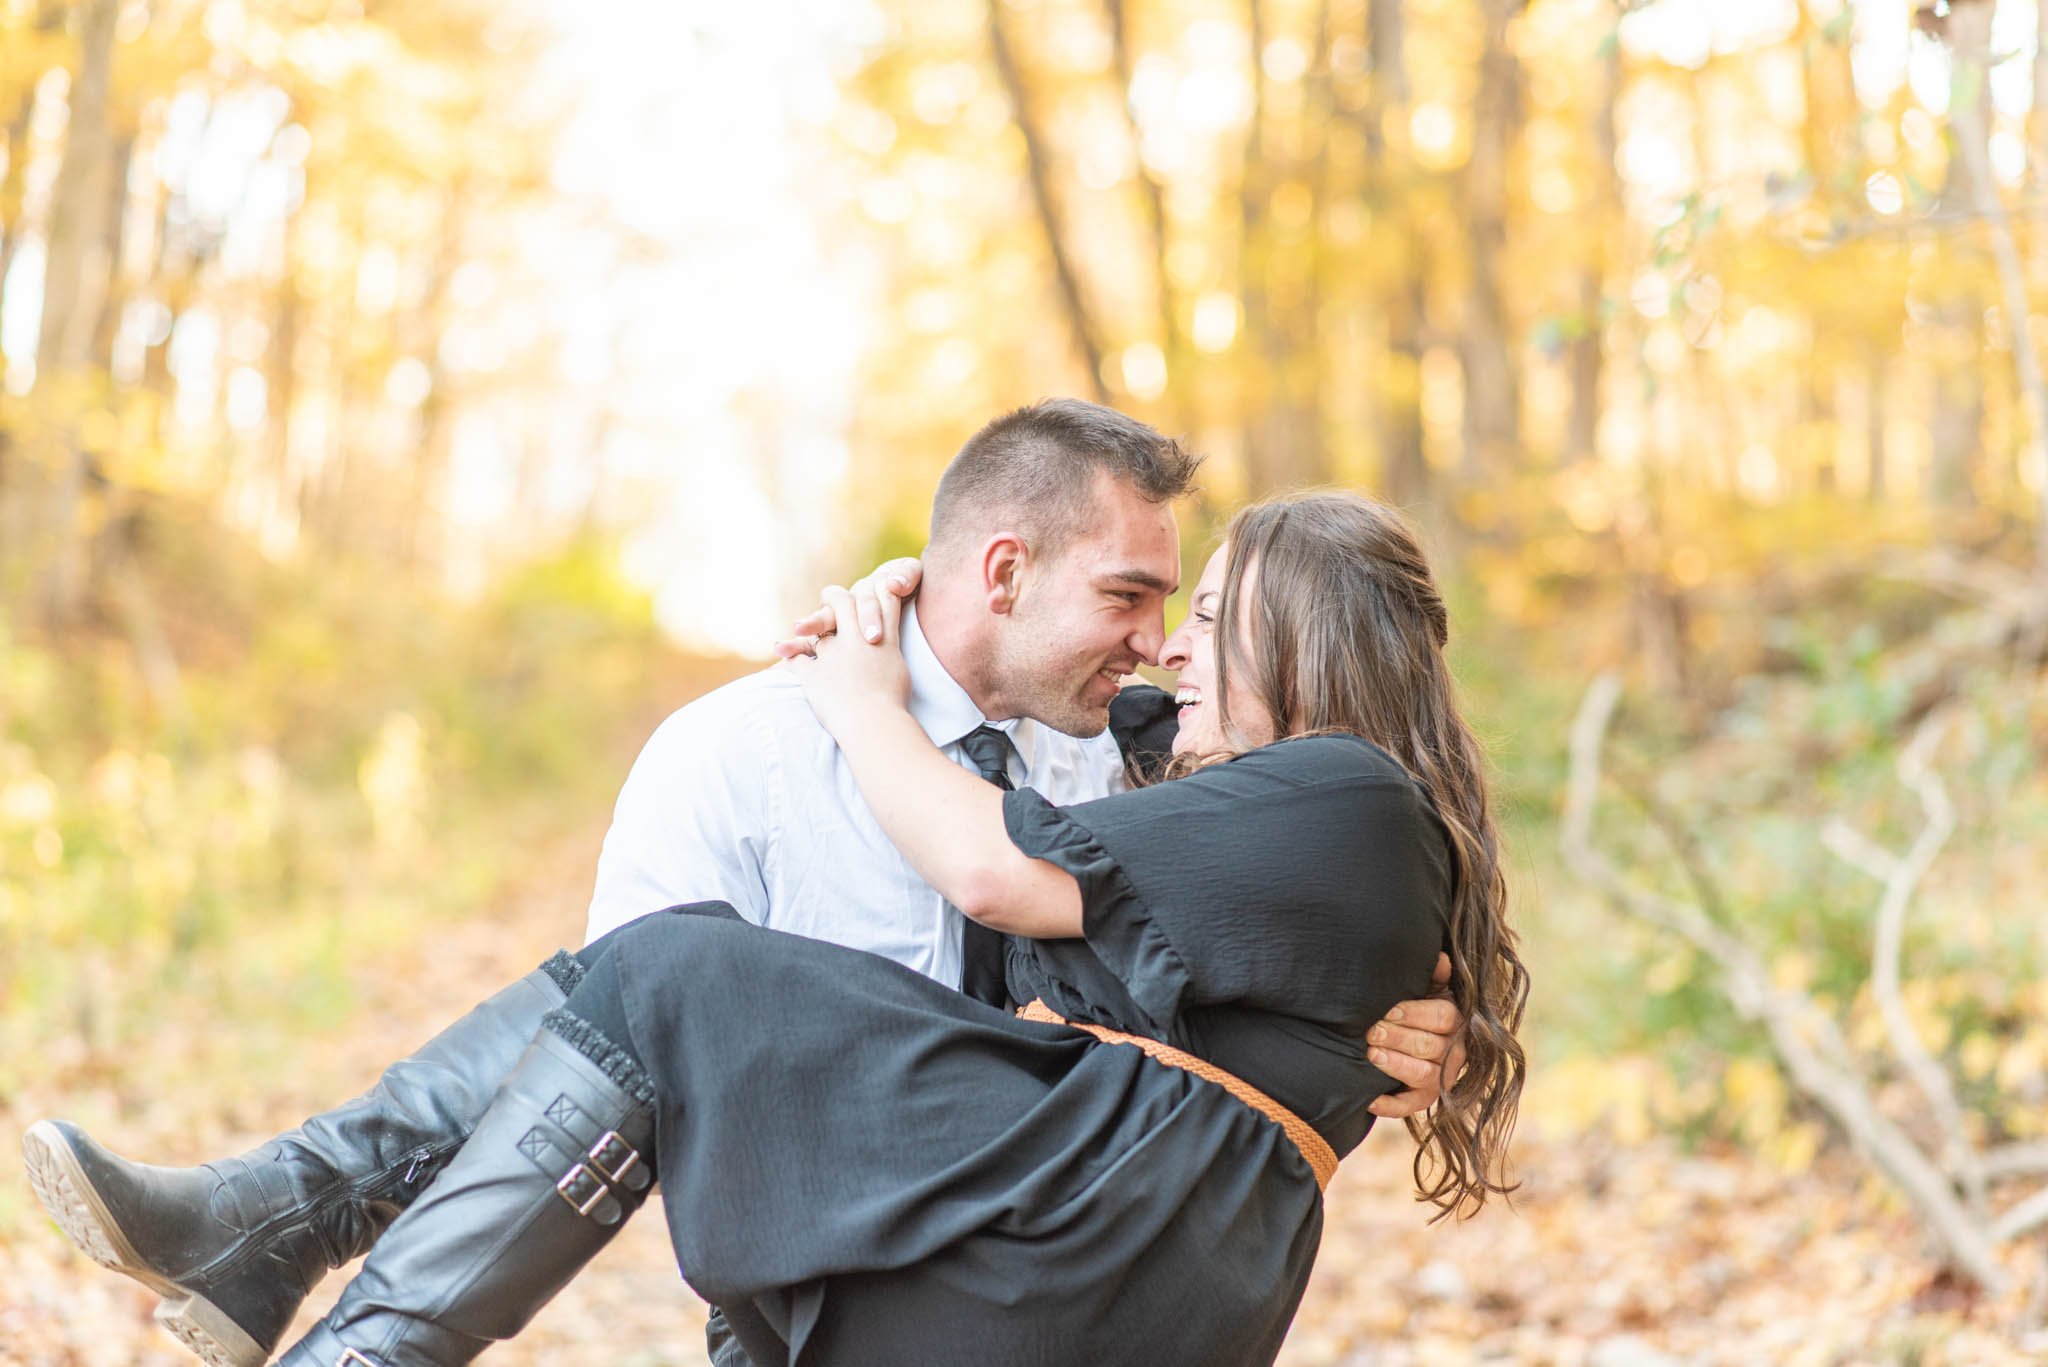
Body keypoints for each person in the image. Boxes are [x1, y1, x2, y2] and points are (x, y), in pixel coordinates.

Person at [27, 487, 1525, 1367]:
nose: (1174, 644)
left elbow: (999, 876)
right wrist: (916, 646)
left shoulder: (1330, 789)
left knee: (680, 972)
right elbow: (1142, 817)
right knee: (656, 987)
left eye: (1209, 610)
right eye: (1157, 605)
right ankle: (269, 1227)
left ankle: (313, 1278)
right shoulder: (1297, 807)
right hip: (1129, 1243)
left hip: (1101, 1226)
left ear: (1306, 635)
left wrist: (862, 704)